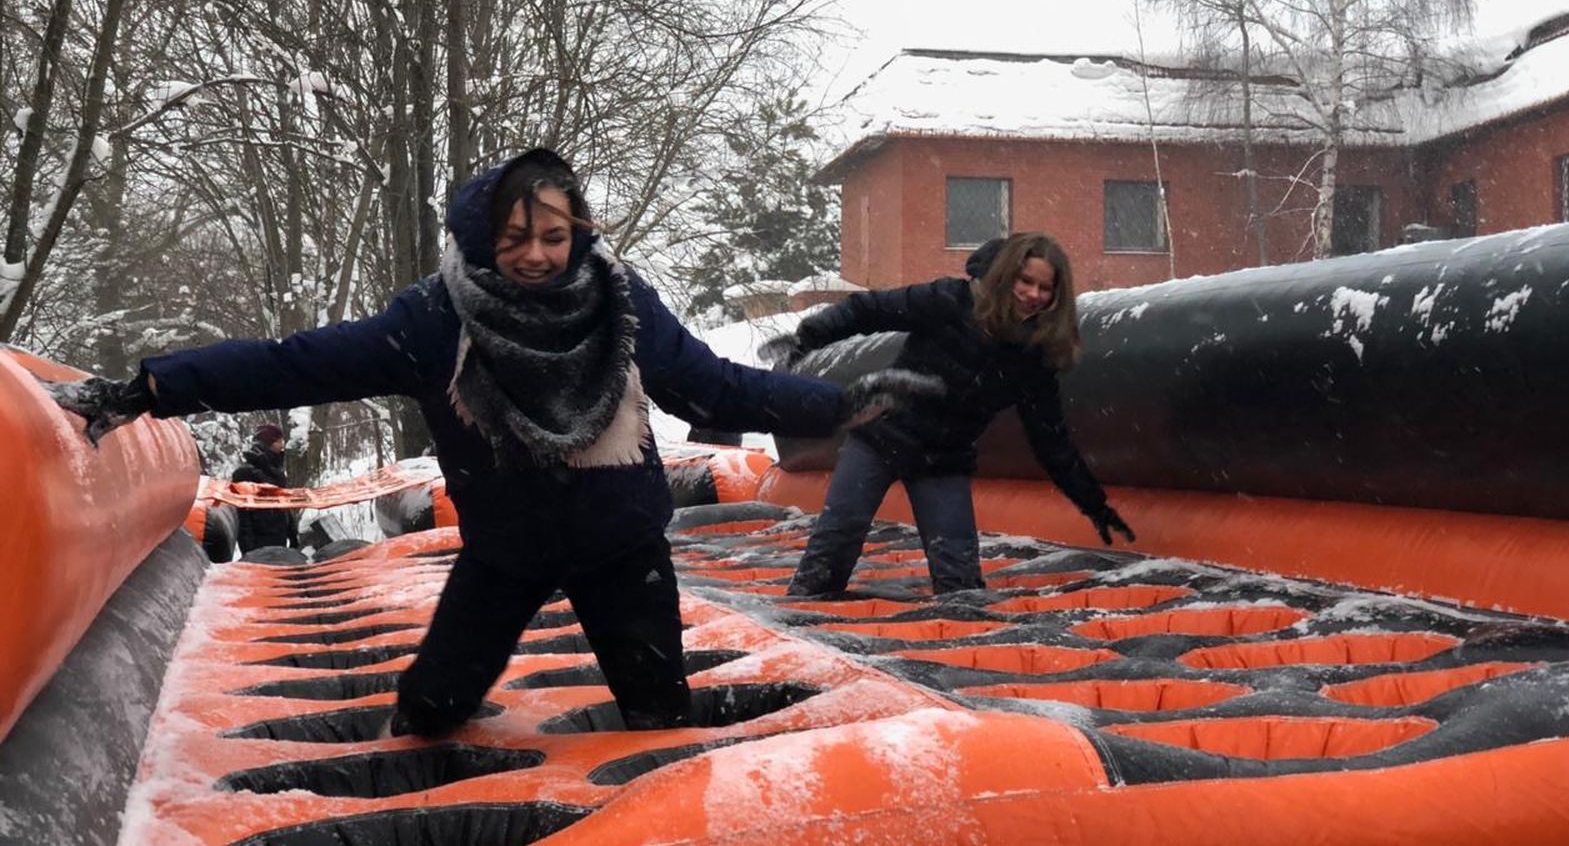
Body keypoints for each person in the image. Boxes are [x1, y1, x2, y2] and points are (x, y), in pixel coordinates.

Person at [45, 147, 923, 735]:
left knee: (658, 714)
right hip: (505, 552)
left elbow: (715, 386)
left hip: (624, 546)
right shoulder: (435, 320)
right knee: (432, 708)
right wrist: (151, 390)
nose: (538, 256)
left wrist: (839, 406)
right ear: (479, 239)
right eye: (515, 239)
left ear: (579, 234)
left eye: (555, 237)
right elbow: (296, 365)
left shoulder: (621, 304)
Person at [770, 232, 1135, 597]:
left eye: (1045, 288)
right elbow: (869, 309)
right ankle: (804, 607)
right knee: (836, 541)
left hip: (942, 459)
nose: (1033, 294)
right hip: (881, 436)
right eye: (1025, 281)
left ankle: (960, 616)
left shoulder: (1034, 356)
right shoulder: (950, 301)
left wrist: (1094, 504)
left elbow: (1050, 438)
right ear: (1005, 275)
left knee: (959, 577)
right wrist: (808, 338)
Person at [231, 423, 300, 553]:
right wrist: (248, 549)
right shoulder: (245, 473)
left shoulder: (275, 469)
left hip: (279, 538)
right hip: (258, 542)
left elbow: (284, 503)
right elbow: (242, 516)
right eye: (278, 441)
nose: (282, 445)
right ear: (268, 443)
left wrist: (292, 533)